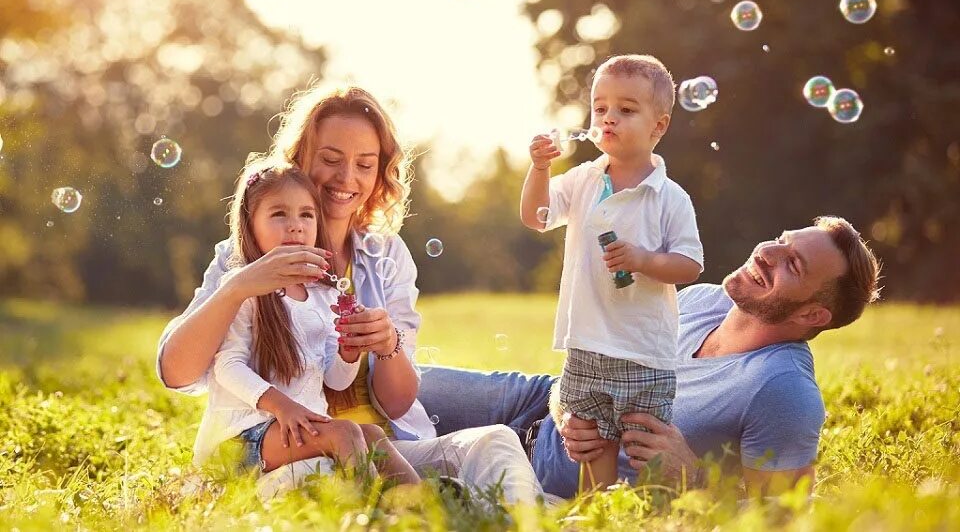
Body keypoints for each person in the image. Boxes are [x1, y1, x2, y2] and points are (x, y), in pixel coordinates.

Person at [157, 84, 543, 503]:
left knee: (496, 443)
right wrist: (237, 286)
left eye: (365, 164)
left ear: (380, 172)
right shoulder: (246, 256)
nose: (347, 179)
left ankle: (522, 520)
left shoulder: (386, 255)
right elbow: (177, 373)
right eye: (330, 159)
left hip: (385, 447)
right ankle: (419, 509)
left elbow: (394, 404)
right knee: (334, 480)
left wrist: (385, 344)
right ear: (300, 159)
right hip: (289, 451)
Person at [418, 216, 881, 498]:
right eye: (782, 240)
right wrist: (564, 402)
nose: (767, 253)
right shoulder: (702, 299)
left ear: (813, 313)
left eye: (793, 264)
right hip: (537, 401)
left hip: (552, 472)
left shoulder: (784, 390)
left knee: (384, 457)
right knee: (387, 381)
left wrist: (694, 477)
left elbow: (781, 519)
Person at [519, 54, 704, 489]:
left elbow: (690, 264)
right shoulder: (584, 179)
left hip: (643, 348)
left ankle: (658, 509)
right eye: (600, 108)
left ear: (659, 126)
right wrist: (540, 168)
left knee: (645, 443)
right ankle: (600, 508)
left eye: (626, 109)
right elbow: (536, 216)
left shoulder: (669, 198)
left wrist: (643, 260)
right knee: (592, 440)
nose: (608, 118)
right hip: (587, 341)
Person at [194, 163, 419, 485]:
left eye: (306, 215)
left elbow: (336, 381)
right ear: (250, 224)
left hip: (297, 429)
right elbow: (226, 366)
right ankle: (373, 513)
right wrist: (283, 407)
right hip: (241, 438)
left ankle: (423, 505)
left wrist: (348, 352)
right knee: (344, 432)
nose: (295, 226)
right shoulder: (243, 287)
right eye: (279, 214)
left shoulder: (322, 295)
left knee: (371, 435)